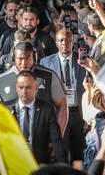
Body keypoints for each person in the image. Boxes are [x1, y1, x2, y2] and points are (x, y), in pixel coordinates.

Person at [0, 70, 67, 174]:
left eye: (28, 87)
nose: (24, 91)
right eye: (21, 87)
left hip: (39, 167)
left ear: (36, 88)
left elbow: (57, 141)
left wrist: (64, 168)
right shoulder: (7, 111)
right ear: (16, 88)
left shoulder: (47, 110)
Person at [0, 41, 68, 135]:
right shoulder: (1, 81)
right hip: (11, 142)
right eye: (20, 59)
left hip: (42, 140)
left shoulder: (49, 76)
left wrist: (56, 138)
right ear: (13, 58)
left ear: (34, 57)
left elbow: (62, 105)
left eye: (28, 58)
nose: (24, 63)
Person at [40, 29, 87, 168]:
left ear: (73, 42)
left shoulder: (83, 61)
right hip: (58, 112)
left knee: (78, 152)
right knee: (61, 150)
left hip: (78, 112)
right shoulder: (46, 62)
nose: (64, 43)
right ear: (56, 43)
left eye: (68, 40)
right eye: (61, 40)